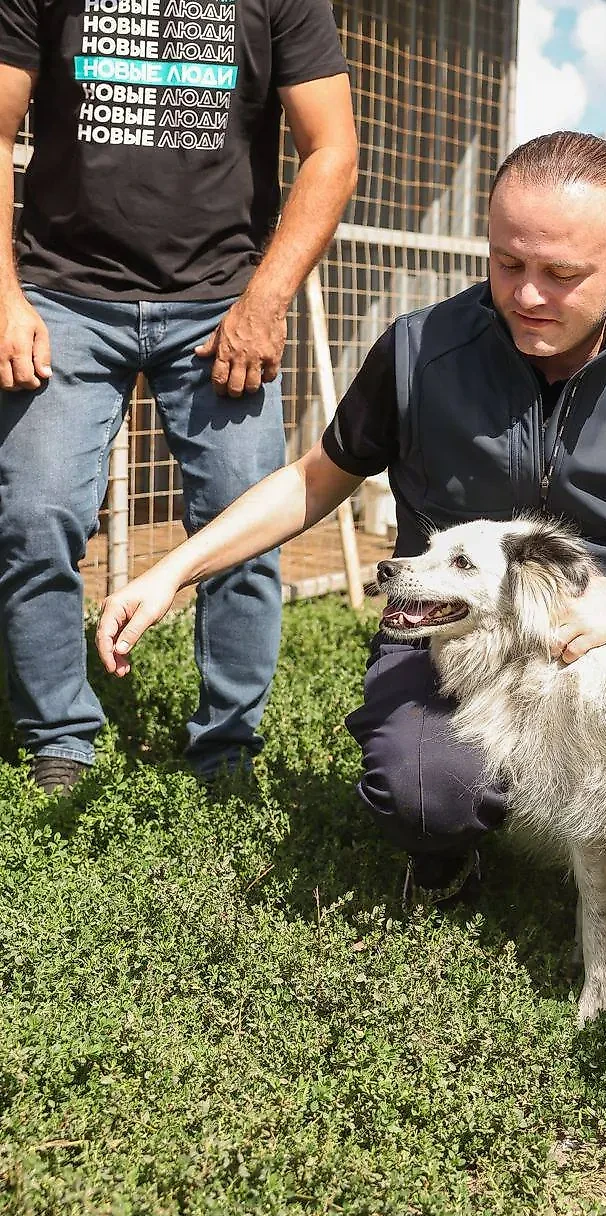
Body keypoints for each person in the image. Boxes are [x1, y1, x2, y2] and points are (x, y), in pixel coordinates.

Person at [96, 132, 606, 982]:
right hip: (455, 634)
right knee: (428, 793)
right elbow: (313, 482)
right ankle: (452, 851)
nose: (526, 295)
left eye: (560, 274)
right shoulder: (419, 348)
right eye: (506, 261)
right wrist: (170, 569)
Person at [0, 0, 358, 793]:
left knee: (246, 526)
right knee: (33, 515)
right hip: (64, 296)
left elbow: (330, 147)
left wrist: (266, 299)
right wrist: (3, 294)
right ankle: (58, 735)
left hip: (222, 304)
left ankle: (227, 747)